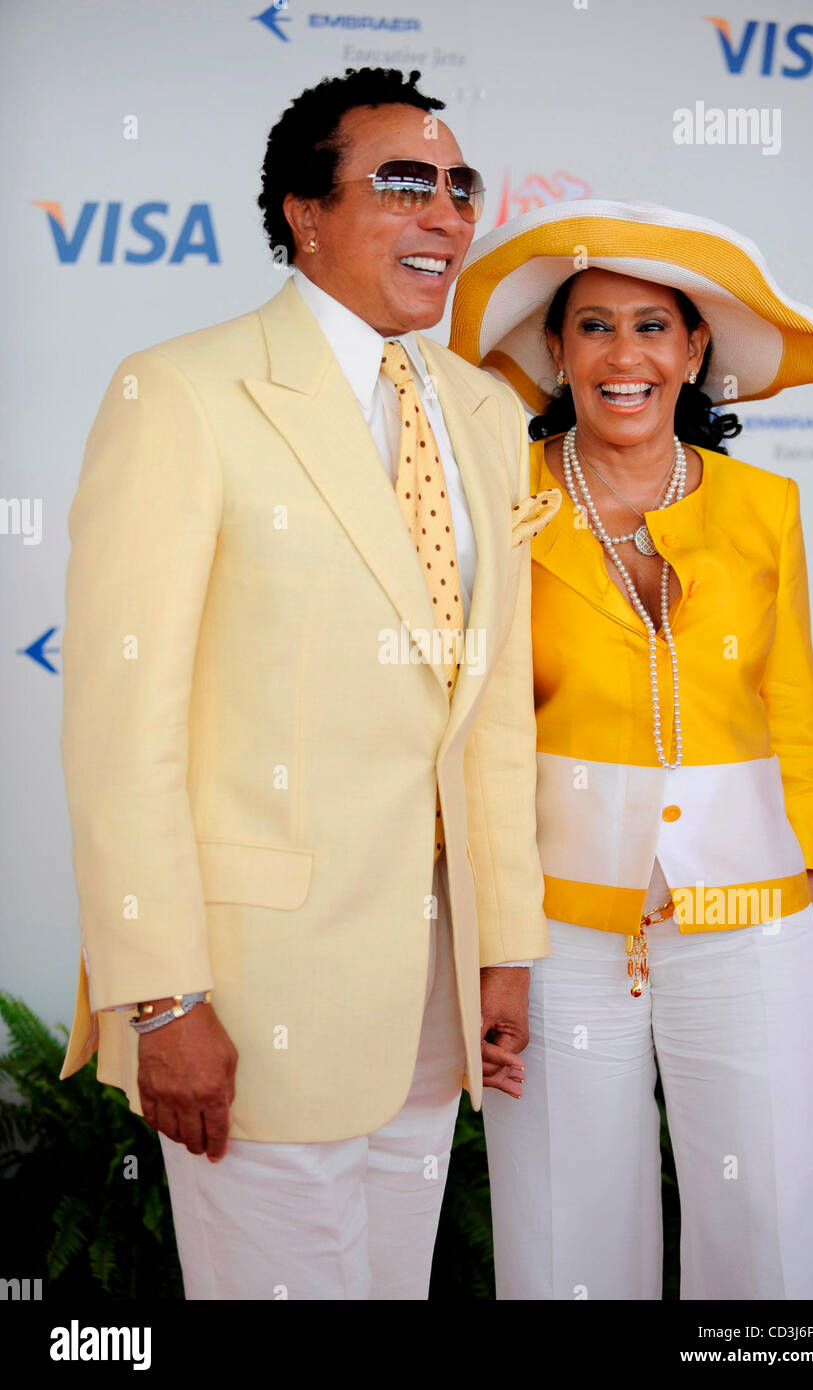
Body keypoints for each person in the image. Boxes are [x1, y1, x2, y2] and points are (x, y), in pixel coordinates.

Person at [57, 67, 560, 1301]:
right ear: (304, 212)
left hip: (435, 998)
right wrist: (161, 996)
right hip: (251, 991)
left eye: (458, 188)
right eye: (403, 184)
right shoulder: (180, 391)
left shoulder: (486, 413)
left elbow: (487, 713)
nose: (444, 214)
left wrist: (504, 943)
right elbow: (124, 727)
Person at [450, 199, 813, 1300]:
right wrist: (494, 940)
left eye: (652, 326)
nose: (625, 355)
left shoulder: (766, 506)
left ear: (694, 348)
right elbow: (477, 735)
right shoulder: (503, 503)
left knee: (766, 1222)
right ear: (555, 353)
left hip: (750, 920)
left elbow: (794, 722)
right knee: (566, 1229)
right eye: (593, 327)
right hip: (557, 929)